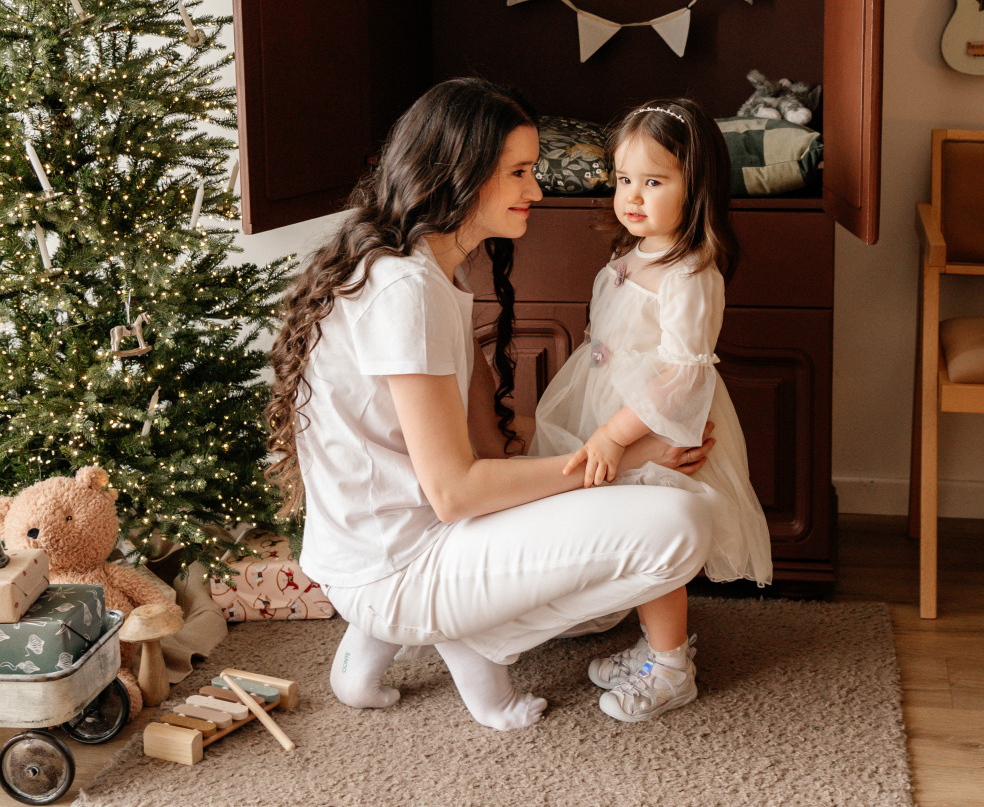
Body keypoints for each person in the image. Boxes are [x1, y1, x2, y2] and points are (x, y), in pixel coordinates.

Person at [264, 78, 715, 732]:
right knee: (683, 522)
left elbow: (492, 449)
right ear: (461, 175)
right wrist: (617, 461)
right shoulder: (405, 291)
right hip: (400, 561)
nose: (536, 190)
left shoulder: (432, 270)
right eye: (519, 172)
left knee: (630, 535)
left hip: (376, 550)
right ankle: (452, 631)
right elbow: (455, 491)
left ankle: (377, 641)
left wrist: (640, 447)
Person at [529, 98, 773, 723]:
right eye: (625, 179)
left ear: (698, 190)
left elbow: (682, 373)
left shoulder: (690, 271)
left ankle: (671, 668)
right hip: (607, 405)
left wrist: (615, 434)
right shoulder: (634, 252)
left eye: (655, 181)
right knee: (621, 529)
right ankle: (651, 643)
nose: (632, 197)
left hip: (653, 421)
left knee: (649, 534)